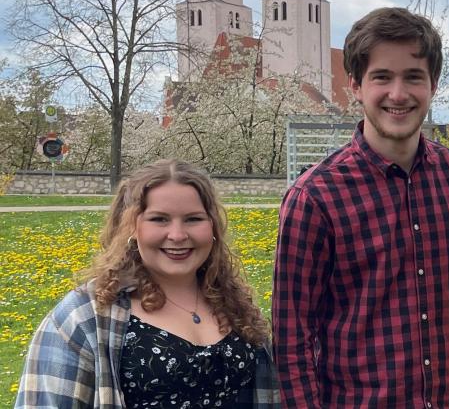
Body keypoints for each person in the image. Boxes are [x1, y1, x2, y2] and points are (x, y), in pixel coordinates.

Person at [272, 7, 449, 407]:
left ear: (432, 85)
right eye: (382, 77)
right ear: (356, 86)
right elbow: (292, 344)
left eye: (413, 77)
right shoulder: (315, 198)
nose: (398, 94)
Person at [16, 159, 279, 408]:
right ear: (131, 227)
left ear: (212, 227)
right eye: (159, 219)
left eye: (193, 219)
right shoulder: (86, 316)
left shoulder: (232, 303)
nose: (177, 235)